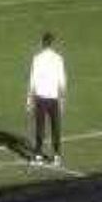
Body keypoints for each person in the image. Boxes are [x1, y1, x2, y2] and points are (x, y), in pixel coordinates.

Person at [26, 32, 66, 166]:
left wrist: (29, 99)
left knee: (40, 126)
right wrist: (62, 99)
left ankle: (38, 155)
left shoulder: (37, 58)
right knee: (55, 127)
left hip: (41, 97)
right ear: (52, 43)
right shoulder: (58, 58)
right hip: (54, 97)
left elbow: (33, 79)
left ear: (42, 43)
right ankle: (57, 156)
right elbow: (62, 80)